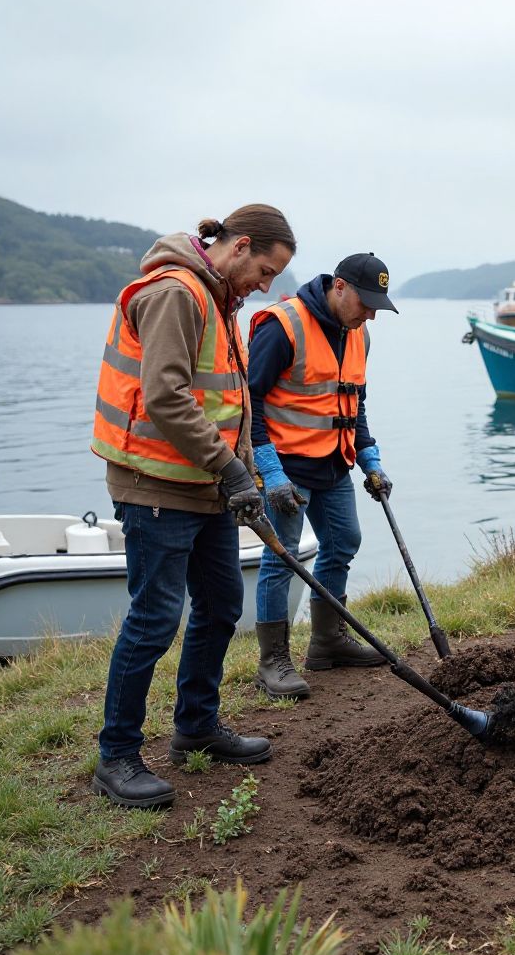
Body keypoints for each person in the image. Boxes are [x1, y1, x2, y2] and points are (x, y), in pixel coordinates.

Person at [90, 204, 296, 809]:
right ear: (240, 247)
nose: (266, 286)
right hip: (154, 482)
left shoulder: (220, 299)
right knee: (155, 618)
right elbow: (166, 397)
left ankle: (195, 726)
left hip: (204, 482)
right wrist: (231, 470)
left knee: (222, 603)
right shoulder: (177, 292)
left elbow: (230, 401)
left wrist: (246, 473)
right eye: (264, 270)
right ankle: (117, 757)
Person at [247, 254, 397, 700]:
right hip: (285, 469)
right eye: (365, 303)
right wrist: (269, 473)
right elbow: (246, 401)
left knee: (344, 542)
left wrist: (370, 459)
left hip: (334, 465)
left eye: (376, 306)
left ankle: (327, 641)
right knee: (283, 559)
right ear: (339, 287)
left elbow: (355, 402)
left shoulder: (358, 334)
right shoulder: (283, 326)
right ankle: (272, 662)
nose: (369, 314)